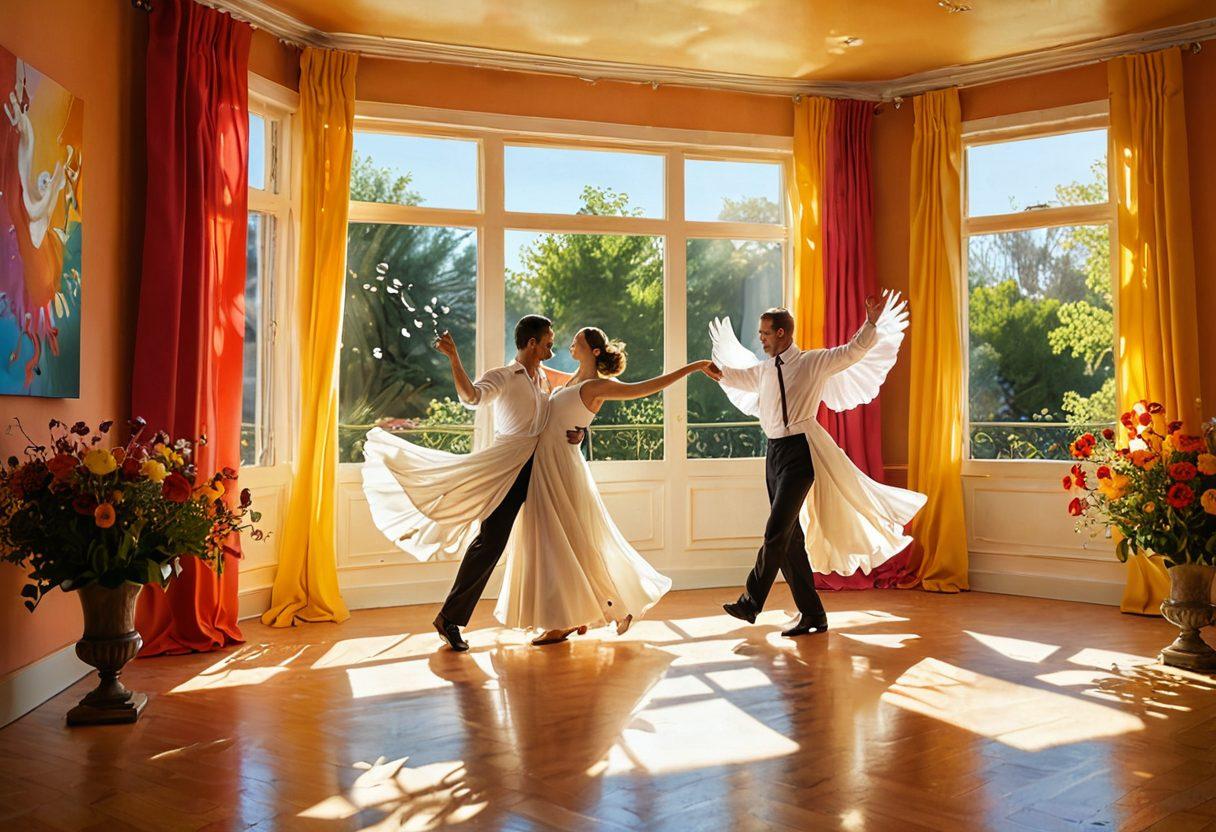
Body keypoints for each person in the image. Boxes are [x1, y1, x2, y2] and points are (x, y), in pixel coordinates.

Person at [706, 293, 927, 636]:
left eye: (765, 333)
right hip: (773, 453)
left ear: (782, 333)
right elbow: (737, 378)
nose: (761, 338)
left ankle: (751, 601)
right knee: (789, 539)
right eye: (760, 333)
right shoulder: (763, 370)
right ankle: (814, 616)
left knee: (775, 531)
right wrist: (714, 372)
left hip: (801, 452)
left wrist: (871, 323)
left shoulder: (813, 362)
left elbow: (852, 352)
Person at [362, 315, 583, 652]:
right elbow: (471, 396)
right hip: (507, 469)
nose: (552, 351)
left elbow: (575, 396)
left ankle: (566, 614)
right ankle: (449, 619)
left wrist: (582, 430)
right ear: (532, 343)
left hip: (542, 467)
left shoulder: (543, 378)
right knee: (490, 543)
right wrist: (454, 358)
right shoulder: (504, 376)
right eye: (548, 344)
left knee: (555, 539)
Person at [495, 327, 715, 645]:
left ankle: (587, 614)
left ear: (594, 351)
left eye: (578, 340)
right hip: (546, 463)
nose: (571, 343)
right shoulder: (571, 378)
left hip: (562, 467)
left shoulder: (599, 386)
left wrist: (694, 367)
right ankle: (577, 612)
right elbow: (529, 371)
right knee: (559, 543)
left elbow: (647, 387)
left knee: (565, 542)